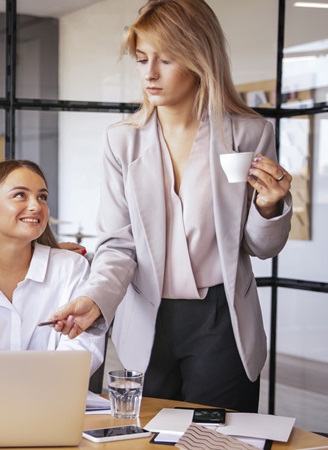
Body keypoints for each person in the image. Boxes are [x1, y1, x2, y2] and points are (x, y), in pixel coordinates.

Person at [47, 0, 292, 413]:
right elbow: (117, 246)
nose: (149, 73)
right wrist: (95, 298)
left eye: (167, 59)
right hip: (147, 316)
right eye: (142, 59)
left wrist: (269, 207)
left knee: (218, 438)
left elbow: (260, 247)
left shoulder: (250, 133)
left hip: (222, 319)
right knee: (146, 434)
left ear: (200, 58)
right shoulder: (121, 141)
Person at [0, 160, 105, 375]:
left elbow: (82, 348)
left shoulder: (71, 268)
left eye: (42, 197)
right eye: (20, 195)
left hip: (52, 402)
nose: (36, 206)